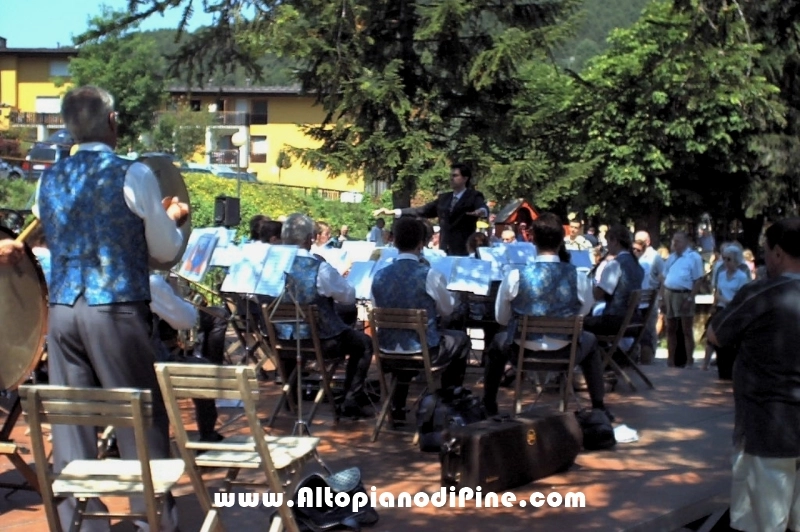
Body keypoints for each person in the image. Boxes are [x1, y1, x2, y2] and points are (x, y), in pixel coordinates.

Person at [34, 85, 188, 532]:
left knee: (70, 417)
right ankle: (152, 518)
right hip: (115, 306)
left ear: (67, 127)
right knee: (139, 412)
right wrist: (173, 220)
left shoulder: (48, 178)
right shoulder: (133, 173)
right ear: (112, 121)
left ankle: (81, 522)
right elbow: (164, 249)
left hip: (63, 308)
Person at [707, 218, 800, 532]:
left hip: (767, 429)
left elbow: (716, 334)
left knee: (762, 525)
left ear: (777, 252)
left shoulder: (761, 293)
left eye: (766, 251)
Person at [482, 212, 609, 418]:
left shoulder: (515, 276)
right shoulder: (578, 277)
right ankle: (598, 407)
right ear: (561, 240)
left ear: (532, 239)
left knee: (497, 343)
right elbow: (583, 313)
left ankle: (488, 404)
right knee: (591, 341)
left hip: (522, 352)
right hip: (565, 352)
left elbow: (501, 318)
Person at [371, 217, 470, 421]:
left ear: (394, 241)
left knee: (404, 343)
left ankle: (397, 408)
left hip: (386, 351)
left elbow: (376, 308)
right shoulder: (429, 275)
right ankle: (447, 405)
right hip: (423, 352)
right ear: (421, 243)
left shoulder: (378, 276)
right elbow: (447, 311)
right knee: (460, 339)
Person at [281, 213, 373, 417]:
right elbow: (348, 296)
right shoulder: (319, 268)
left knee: (290, 334)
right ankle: (350, 401)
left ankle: (290, 399)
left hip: (279, 339)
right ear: (310, 238)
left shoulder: (272, 266)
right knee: (364, 343)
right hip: (320, 342)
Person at [374, 163, 488, 256]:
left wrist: (482, 211)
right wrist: (393, 212)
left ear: (465, 178)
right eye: (451, 176)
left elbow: (482, 207)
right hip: (444, 249)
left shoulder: (473, 196)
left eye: (455, 176)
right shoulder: (444, 198)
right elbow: (421, 210)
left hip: (464, 249)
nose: (451, 179)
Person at [584, 225, 644, 336]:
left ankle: (597, 348)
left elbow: (597, 295)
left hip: (615, 321)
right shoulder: (637, 265)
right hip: (634, 321)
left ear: (615, 241)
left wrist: (589, 286)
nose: (607, 246)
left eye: (608, 242)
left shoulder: (615, 264)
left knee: (578, 323)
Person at [701, 244, 749, 376]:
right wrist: (715, 304)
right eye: (724, 259)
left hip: (733, 310)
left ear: (736, 261)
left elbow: (741, 296)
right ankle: (706, 364)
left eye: (729, 259)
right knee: (711, 333)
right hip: (721, 308)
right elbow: (717, 292)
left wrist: (726, 301)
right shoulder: (721, 275)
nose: (726, 262)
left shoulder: (741, 277)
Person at [662, 231, 704, 367]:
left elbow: (698, 280)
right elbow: (663, 277)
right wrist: (662, 297)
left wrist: (690, 298)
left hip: (684, 294)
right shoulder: (671, 257)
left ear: (686, 242)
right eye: (673, 241)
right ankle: (670, 360)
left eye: (678, 241)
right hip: (669, 293)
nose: (675, 244)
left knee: (686, 329)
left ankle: (689, 360)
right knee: (670, 328)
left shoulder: (694, 257)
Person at [633, 231, 664, 364]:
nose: (638, 245)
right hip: (636, 301)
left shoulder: (655, 257)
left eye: (641, 241)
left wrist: (660, 297)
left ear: (648, 242)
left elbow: (663, 277)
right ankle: (636, 356)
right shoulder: (633, 257)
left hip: (650, 299)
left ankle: (649, 359)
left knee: (649, 330)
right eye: (636, 241)